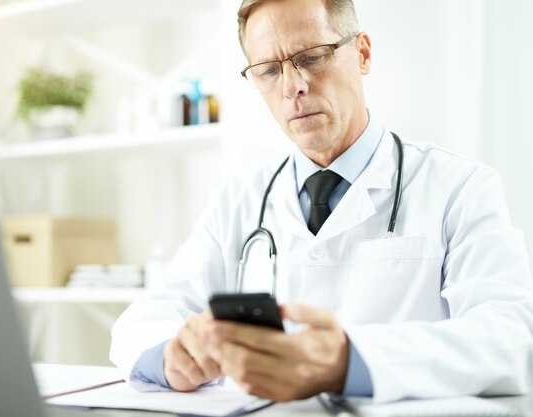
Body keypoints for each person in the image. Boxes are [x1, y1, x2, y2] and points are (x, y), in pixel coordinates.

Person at [110, 0, 533, 403]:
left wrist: (350, 360)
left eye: (312, 56)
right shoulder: (240, 199)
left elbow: (509, 338)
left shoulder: (460, 187)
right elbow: (142, 321)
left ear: (363, 53)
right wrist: (172, 355)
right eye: (268, 70)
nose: (293, 87)